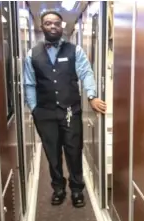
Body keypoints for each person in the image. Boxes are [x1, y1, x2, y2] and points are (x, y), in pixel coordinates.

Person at [23, 10, 107, 208]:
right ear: (42, 27)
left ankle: (77, 189)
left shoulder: (74, 50)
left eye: (57, 24)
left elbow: (86, 72)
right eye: (48, 23)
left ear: (62, 27)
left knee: (73, 150)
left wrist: (92, 96)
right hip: (44, 112)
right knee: (52, 153)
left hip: (70, 110)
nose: (53, 26)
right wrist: (34, 109)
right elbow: (29, 84)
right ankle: (58, 188)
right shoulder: (32, 54)